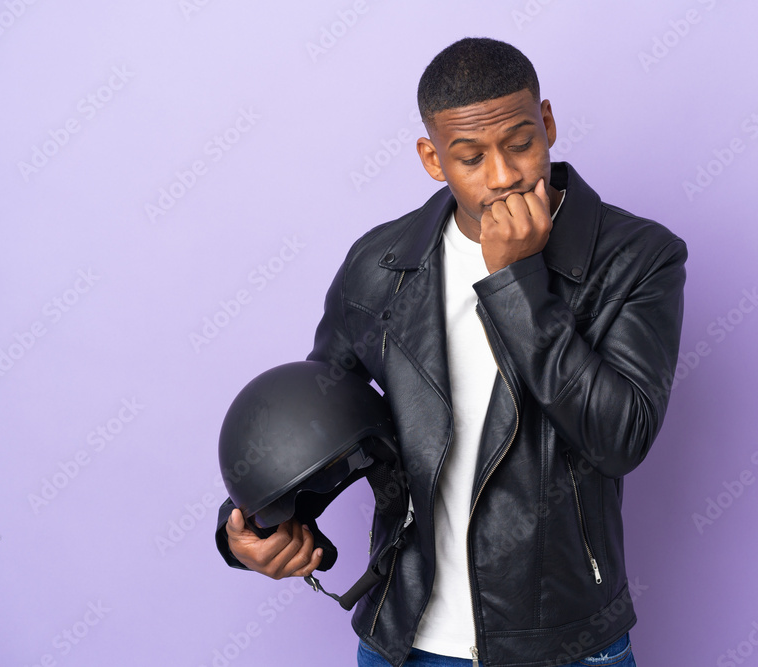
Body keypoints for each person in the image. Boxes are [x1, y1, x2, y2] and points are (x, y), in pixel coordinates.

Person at [215, 37, 686, 667]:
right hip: (402, 637)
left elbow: (618, 438)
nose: (505, 175)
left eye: (521, 143)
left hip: (561, 644)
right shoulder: (381, 265)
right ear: (433, 160)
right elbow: (323, 417)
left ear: (546, 124)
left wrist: (515, 282)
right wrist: (254, 522)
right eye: (470, 157)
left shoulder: (636, 258)